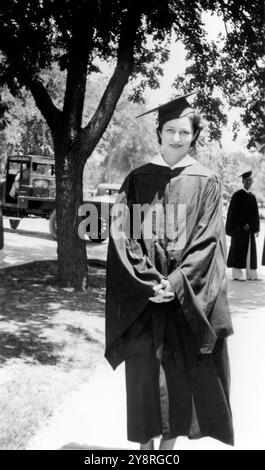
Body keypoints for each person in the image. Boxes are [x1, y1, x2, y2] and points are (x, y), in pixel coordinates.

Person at [105, 93, 234, 450]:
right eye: (170, 130)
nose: (177, 138)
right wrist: (148, 282)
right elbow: (121, 234)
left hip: (183, 301)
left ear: (194, 135)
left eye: (184, 131)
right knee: (145, 378)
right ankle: (145, 452)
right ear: (158, 132)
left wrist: (174, 284)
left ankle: (166, 454)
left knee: (178, 384)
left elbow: (208, 242)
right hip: (145, 301)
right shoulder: (137, 179)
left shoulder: (206, 181)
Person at [225, 170, 260, 281]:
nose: (249, 182)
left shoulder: (252, 196)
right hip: (239, 229)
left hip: (249, 230)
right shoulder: (237, 195)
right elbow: (234, 212)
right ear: (243, 181)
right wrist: (242, 223)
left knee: (250, 251)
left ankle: (251, 274)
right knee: (238, 250)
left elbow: (255, 214)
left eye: (251, 180)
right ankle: (237, 274)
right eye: (247, 180)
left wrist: (256, 228)